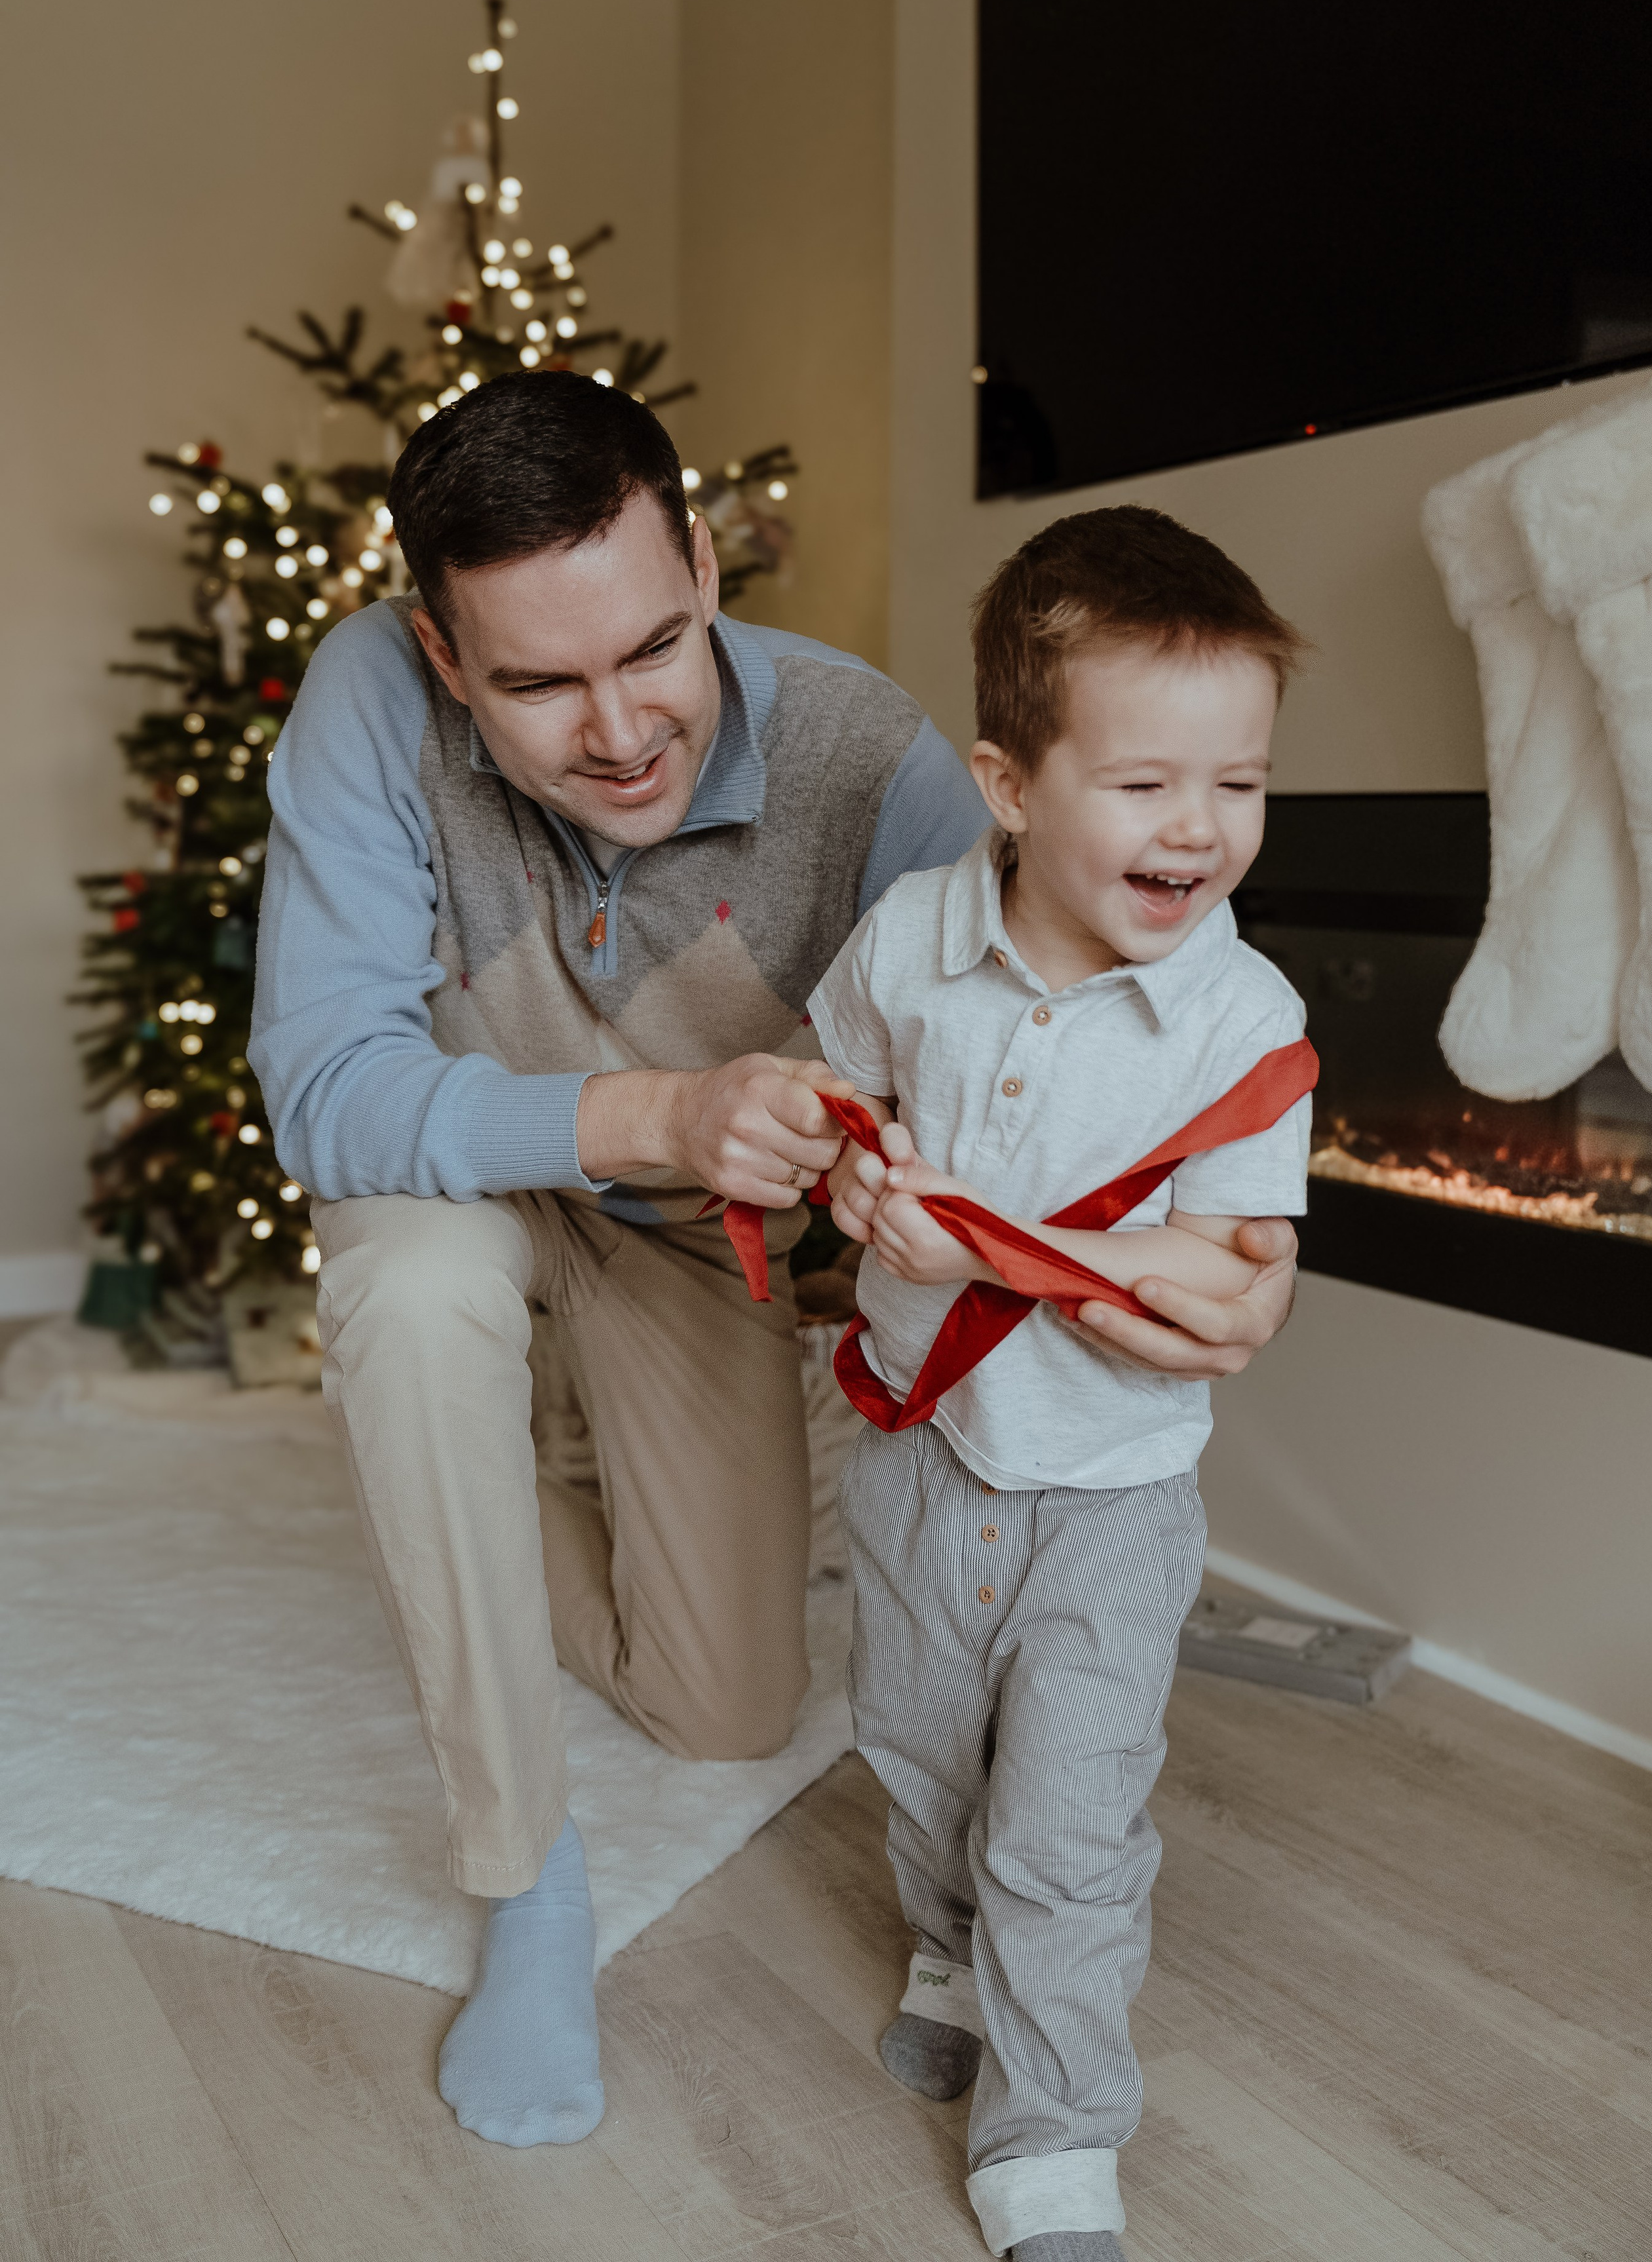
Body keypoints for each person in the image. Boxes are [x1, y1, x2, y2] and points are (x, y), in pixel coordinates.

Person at [250, 374, 1301, 2151]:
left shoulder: (869, 759)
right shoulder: (364, 693)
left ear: (711, 563)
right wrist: (656, 1116)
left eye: (654, 646)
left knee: (731, 1705)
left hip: (682, 1247)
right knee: (416, 1307)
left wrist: (1238, 1235)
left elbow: (1129, 945)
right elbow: (327, 1093)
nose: (619, 730)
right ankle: (523, 1879)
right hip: (471, 1178)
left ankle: (499, 1478)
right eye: (536, 682)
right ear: (443, 656)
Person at [813, 505, 1313, 2262]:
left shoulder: (1245, 1026)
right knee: (922, 1750)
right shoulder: (906, 947)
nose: (1201, 829)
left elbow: (1229, 1278)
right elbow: (837, 1111)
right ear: (1010, 785)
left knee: (1072, 1825)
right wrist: (861, 1178)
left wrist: (995, 1245)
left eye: (1239, 784)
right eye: (1149, 784)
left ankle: (1055, 2138)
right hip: (911, 1444)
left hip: (1111, 1493)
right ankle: (946, 1940)